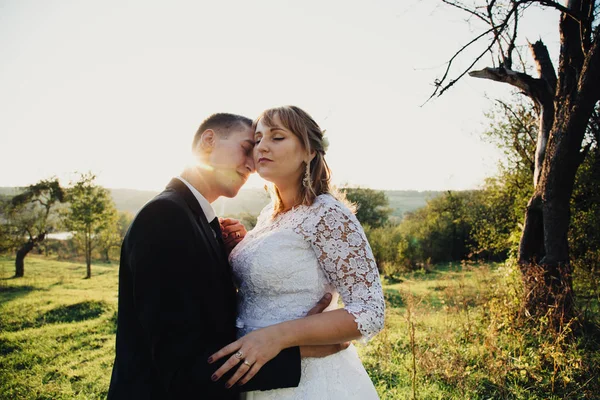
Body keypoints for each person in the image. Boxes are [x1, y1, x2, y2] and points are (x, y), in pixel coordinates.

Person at [107, 113, 341, 400]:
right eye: (247, 148)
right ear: (208, 142)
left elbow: (207, 316)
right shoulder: (165, 218)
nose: (253, 164)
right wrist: (298, 349)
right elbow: (181, 368)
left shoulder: (196, 220)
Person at [209, 106, 385, 399]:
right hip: (257, 374)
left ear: (310, 152)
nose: (262, 146)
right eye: (259, 138)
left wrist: (278, 336)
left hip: (308, 380)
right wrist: (236, 249)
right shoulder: (270, 215)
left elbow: (370, 312)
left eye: (277, 137)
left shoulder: (328, 215)